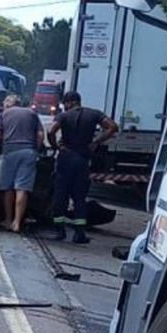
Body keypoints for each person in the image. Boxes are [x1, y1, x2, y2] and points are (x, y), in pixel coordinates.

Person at [45, 90, 118, 243]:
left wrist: (56, 146)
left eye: (65, 104)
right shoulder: (94, 114)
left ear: (69, 102)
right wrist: (96, 142)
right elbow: (112, 127)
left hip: (66, 158)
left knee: (60, 195)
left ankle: (59, 231)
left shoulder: (63, 116)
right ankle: (79, 234)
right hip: (83, 159)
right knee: (79, 198)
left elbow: (51, 131)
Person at [0, 95, 44, 233]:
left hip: (9, 152)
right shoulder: (32, 113)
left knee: (8, 188)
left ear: (8, 104)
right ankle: (17, 222)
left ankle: (8, 220)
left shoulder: (3, 114)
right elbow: (40, 135)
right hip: (28, 152)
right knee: (22, 188)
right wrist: (36, 150)